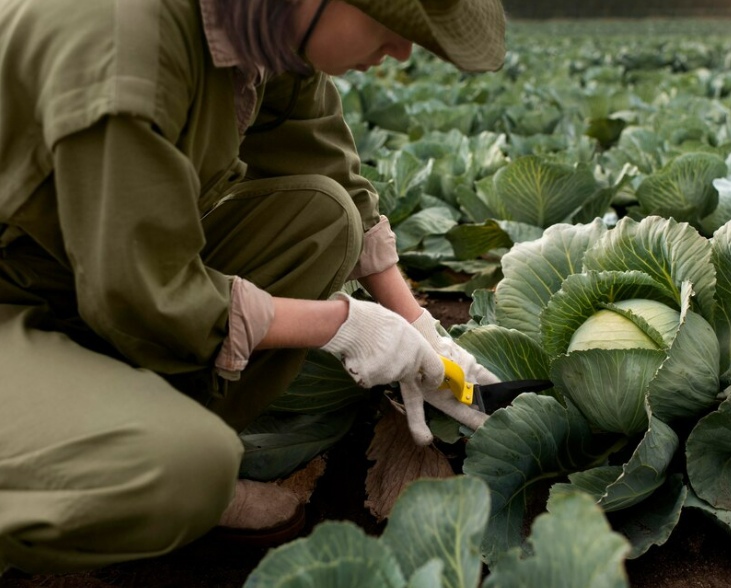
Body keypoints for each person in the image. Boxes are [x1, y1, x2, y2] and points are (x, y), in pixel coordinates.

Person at [0, 0, 505, 574]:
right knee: (182, 468)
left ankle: (136, 430)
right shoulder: (124, 49)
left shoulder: (262, 25)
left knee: (322, 218)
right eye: (389, 26)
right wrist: (344, 326)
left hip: (75, 269)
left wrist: (421, 329)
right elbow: (147, 297)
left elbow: (327, 164)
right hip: (28, 296)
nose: (400, 51)